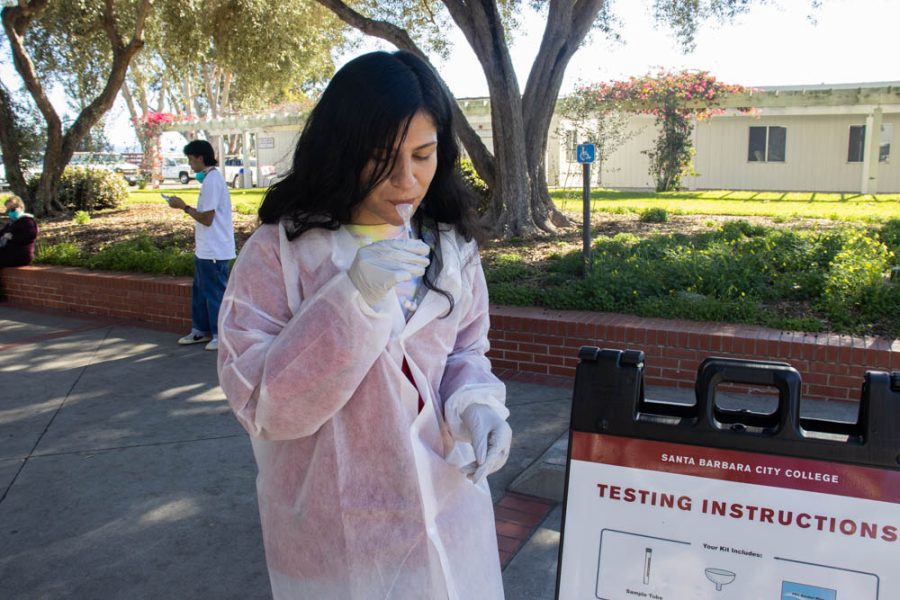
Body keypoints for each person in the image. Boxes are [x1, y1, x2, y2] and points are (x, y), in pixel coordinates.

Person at [216, 50, 512, 600]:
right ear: (342, 151)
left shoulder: (449, 248)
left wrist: (478, 405)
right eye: (382, 159)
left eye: (423, 156)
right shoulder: (280, 255)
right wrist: (351, 299)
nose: (407, 180)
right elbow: (260, 402)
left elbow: (465, 351)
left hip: (447, 511)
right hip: (336, 534)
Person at [166, 140, 235, 351]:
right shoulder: (209, 180)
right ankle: (200, 331)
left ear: (200, 157)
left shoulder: (213, 181)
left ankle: (220, 335)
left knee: (215, 293)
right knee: (200, 292)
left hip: (215, 250)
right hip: (205, 249)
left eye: (190, 159)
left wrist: (183, 207)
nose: (190, 164)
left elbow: (207, 218)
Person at [0, 195, 38, 267]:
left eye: (12, 209)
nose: (10, 212)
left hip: (21, 254)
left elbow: (31, 236)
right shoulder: (12, 223)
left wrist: (12, 237)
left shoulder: (27, 221)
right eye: (8, 210)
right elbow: (2, 233)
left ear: (20, 208)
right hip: (9, 252)